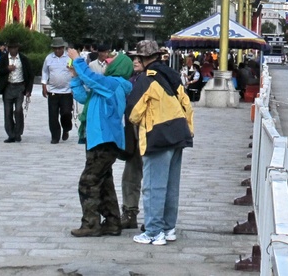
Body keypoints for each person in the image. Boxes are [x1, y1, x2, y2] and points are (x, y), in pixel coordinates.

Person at [127, 39, 194, 246]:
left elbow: (134, 111)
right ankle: (168, 227)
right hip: (178, 133)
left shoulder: (147, 79)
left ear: (142, 58)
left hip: (157, 136)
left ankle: (154, 231)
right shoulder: (172, 75)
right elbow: (187, 105)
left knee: (153, 186)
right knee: (171, 186)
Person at [67, 48, 134, 237]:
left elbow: (91, 78)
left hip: (104, 140)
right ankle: (112, 222)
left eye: (113, 60)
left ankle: (90, 224)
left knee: (88, 181)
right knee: (104, 181)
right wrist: (75, 77)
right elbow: (84, 97)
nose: (108, 61)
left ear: (120, 66)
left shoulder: (114, 84)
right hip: (99, 140)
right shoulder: (107, 86)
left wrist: (77, 60)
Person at [120, 54, 146, 230]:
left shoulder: (153, 80)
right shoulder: (131, 80)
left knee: (153, 178)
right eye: (134, 58)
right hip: (133, 132)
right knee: (130, 174)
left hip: (151, 133)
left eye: (140, 59)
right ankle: (130, 213)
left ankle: (156, 218)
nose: (135, 61)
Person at [0, 41, 34, 143]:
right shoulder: (4, 58)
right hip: (8, 87)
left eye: (15, 48)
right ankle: (11, 134)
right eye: (11, 48)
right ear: (8, 49)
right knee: (7, 111)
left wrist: (29, 90)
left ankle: (18, 133)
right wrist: (7, 69)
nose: (13, 50)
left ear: (18, 48)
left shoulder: (23, 59)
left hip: (20, 87)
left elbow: (30, 75)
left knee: (18, 110)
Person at [42, 37, 74, 144]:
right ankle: (55, 136)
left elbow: (74, 73)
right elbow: (45, 72)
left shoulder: (69, 58)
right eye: (55, 48)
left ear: (63, 48)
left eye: (59, 48)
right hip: (53, 92)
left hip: (67, 91)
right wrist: (44, 85)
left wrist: (75, 87)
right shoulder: (49, 58)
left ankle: (66, 128)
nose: (57, 50)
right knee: (53, 115)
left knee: (66, 113)